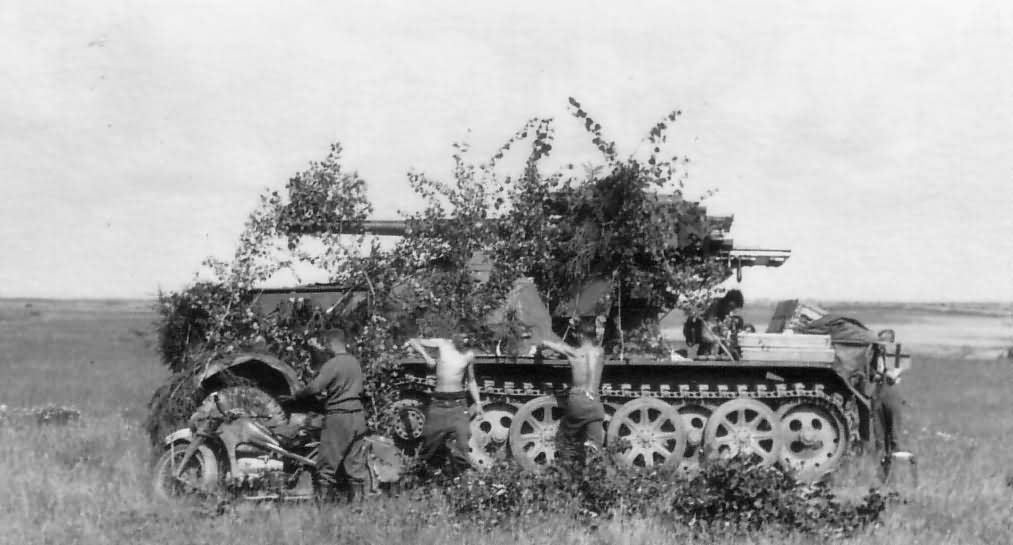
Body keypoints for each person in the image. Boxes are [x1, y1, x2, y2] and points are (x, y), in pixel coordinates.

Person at [285, 329, 370, 502]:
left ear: (330, 344)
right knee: (355, 467)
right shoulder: (355, 363)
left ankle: (323, 509)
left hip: (339, 417)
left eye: (326, 345)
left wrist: (296, 396)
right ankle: (358, 509)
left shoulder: (332, 364)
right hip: (358, 417)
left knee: (326, 467)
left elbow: (315, 388)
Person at [407, 334, 483, 478]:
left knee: (462, 443)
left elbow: (471, 380)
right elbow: (413, 340)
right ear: (456, 334)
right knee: (429, 444)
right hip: (438, 403)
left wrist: (478, 403)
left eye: (468, 337)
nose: (465, 340)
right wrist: (426, 357)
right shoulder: (442, 344)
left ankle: (462, 482)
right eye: (463, 335)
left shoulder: (469, 355)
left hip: (458, 403)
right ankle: (425, 479)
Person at [537, 321, 606, 473]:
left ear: (580, 335)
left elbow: (555, 346)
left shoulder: (573, 353)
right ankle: (595, 480)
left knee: (564, 439)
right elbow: (596, 345)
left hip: (578, 401)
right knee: (595, 447)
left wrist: (542, 342)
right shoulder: (600, 352)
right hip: (595, 402)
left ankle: (566, 475)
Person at [874, 329, 909, 457]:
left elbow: (894, 374)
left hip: (892, 392)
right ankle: (881, 462)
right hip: (878, 393)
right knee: (879, 433)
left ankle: (894, 460)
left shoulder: (897, 353)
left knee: (894, 433)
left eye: (883, 342)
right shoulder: (875, 355)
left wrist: (885, 372)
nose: (880, 345)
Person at [683, 289, 744, 356]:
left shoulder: (725, 309)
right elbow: (707, 329)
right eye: (732, 307)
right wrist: (719, 339)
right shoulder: (714, 305)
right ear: (730, 302)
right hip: (703, 337)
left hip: (712, 337)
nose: (731, 310)